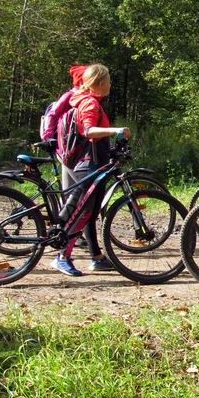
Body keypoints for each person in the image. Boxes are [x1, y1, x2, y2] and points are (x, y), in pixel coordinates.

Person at [53, 64, 131, 277]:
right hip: (89, 164)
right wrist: (116, 130)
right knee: (81, 212)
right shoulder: (90, 103)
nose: (110, 84)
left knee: (89, 212)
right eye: (108, 81)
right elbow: (88, 130)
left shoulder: (86, 100)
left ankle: (96, 257)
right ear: (99, 83)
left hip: (93, 162)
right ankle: (62, 257)